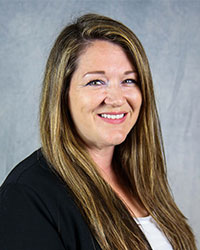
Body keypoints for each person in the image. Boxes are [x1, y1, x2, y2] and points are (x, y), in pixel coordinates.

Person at [0, 13, 197, 250]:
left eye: (129, 81)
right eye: (96, 82)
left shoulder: (140, 178)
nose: (116, 99)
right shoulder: (26, 196)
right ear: (63, 94)